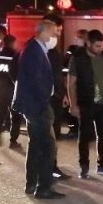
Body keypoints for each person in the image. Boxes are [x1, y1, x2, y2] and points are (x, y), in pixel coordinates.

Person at [13, 20, 65, 199]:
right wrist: (44, 100)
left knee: (36, 145)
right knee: (47, 146)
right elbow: (36, 81)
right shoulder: (34, 51)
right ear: (43, 33)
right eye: (53, 33)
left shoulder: (37, 49)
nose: (56, 37)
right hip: (37, 105)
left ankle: (32, 182)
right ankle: (43, 187)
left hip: (36, 104)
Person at [67, 29, 103, 179]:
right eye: (97, 46)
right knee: (85, 136)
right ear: (88, 43)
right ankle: (84, 167)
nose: (100, 48)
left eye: (102, 46)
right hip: (86, 102)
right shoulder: (77, 58)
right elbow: (71, 83)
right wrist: (73, 105)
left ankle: (102, 165)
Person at [41, 13, 72, 180]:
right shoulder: (35, 49)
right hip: (43, 102)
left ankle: (51, 167)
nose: (59, 35)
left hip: (55, 100)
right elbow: (15, 71)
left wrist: (63, 94)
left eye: (60, 31)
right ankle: (44, 174)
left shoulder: (54, 51)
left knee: (53, 137)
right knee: (45, 138)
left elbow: (57, 75)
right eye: (57, 31)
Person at [0, 34, 21, 137]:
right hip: (13, 89)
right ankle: (13, 138)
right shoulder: (16, 56)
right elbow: (19, 73)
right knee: (15, 114)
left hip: (0, 89)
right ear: (12, 43)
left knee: (1, 111)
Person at [63, 29, 88, 139]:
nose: (78, 39)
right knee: (71, 108)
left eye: (81, 37)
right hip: (71, 82)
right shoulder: (71, 50)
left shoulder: (89, 51)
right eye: (78, 37)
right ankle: (73, 129)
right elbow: (65, 66)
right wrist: (65, 81)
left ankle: (85, 131)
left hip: (83, 85)